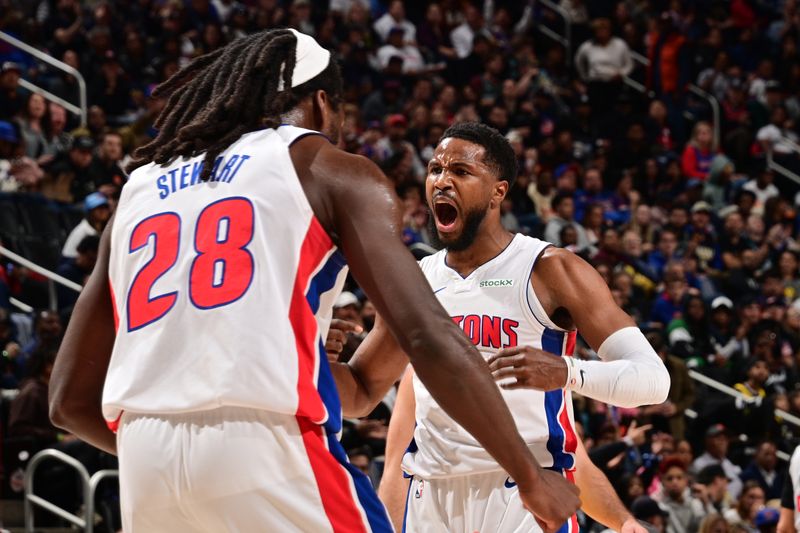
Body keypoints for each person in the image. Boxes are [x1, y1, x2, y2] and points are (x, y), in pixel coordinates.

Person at [48, 29, 579, 532]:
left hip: (144, 461)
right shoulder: (328, 168)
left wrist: (177, 456)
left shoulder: (140, 186)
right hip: (266, 447)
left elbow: (68, 400)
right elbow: (428, 336)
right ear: (325, 103)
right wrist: (530, 479)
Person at [331, 122, 669, 532]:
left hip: (525, 491)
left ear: (499, 192)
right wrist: (317, 358)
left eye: (460, 171)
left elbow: (653, 380)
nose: (442, 181)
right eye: (435, 169)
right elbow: (360, 394)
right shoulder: (414, 281)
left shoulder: (551, 269)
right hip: (430, 496)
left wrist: (566, 372)